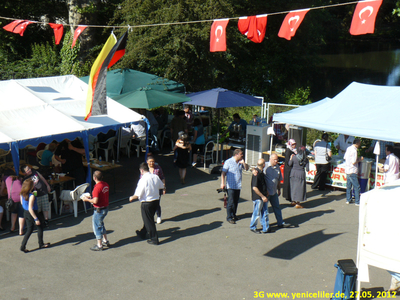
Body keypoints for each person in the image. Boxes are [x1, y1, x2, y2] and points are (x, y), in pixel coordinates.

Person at [129, 162, 164, 245]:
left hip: (147, 202)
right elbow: (161, 186)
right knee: (148, 218)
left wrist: (132, 197)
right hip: (155, 201)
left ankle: (154, 239)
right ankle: (142, 233)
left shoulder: (143, 180)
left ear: (141, 170)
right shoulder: (155, 176)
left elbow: (138, 194)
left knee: (149, 221)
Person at [82, 170, 110, 251]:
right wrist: (92, 198)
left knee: (97, 226)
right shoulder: (106, 185)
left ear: (94, 178)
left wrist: (86, 200)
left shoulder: (97, 188)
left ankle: (99, 245)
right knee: (101, 224)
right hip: (105, 207)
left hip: (99, 210)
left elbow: (95, 201)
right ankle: (105, 240)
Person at [20, 178, 50, 253]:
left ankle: (23, 246)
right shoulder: (31, 196)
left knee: (29, 230)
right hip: (33, 213)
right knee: (40, 227)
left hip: (25, 213)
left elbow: (22, 204)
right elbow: (30, 208)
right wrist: (36, 219)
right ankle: (41, 244)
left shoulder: (22, 194)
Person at [220, 148, 249, 224]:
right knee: (231, 201)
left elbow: (246, 169)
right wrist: (222, 183)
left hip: (238, 185)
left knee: (236, 201)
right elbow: (223, 173)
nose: (242, 155)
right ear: (236, 154)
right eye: (241, 154)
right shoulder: (228, 162)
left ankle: (234, 215)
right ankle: (229, 217)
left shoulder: (240, 162)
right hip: (230, 185)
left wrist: (243, 163)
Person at [264, 153, 289, 228]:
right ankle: (265, 226)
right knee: (265, 210)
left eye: (277, 159)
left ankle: (280, 222)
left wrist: (279, 189)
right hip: (266, 192)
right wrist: (254, 171)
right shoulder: (265, 166)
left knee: (277, 207)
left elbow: (278, 179)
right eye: (274, 159)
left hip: (274, 191)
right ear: (270, 159)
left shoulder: (277, 167)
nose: (276, 161)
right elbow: (256, 169)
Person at [249, 158, 269, 234]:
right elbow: (255, 187)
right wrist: (262, 196)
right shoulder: (257, 174)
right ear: (263, 165)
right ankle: (253, 227)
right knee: (256, 213)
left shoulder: (260, 172)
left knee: (265, 212)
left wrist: (265, 192)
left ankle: (265, 228)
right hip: (258, 198)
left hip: (262, 196)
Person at [144, 156, 166, 224]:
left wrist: (164, 187)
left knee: (156, 203)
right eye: (150, 161)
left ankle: (158, 216)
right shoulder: (145, 169)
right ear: (147, 161)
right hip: (148, 189)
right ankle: (151, 218)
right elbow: (142, 179)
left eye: (153, 161)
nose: (152, 163)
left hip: (157, 189)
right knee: (149, 204)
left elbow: (162, 177)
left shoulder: (158, 168)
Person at [344, 139, 363, 205]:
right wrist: (360, 159)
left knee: (349, 186)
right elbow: (354, 161)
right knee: (356, 187)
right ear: (357, 143)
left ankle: (348, 199)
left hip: (347, 169)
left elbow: (345, 157)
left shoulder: (348, 148)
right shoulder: (354, 150)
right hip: (353, 170)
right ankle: (357, 201)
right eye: (359, 143)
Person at [282, 139, 297, 205]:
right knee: (288, 182)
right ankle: (288, 196)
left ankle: (289, 195)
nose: (294, 145)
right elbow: (288, 161)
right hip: (289, 168)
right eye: (293, 144)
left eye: (295, 144)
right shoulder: (288, 151)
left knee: (290, 182)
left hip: (290, 168)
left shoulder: (293, 150)